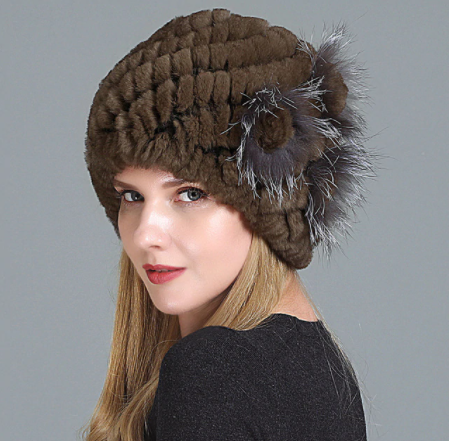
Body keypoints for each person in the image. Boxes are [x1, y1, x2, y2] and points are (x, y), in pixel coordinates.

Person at [80, 8, 379, 441]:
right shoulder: (324, 368)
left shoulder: (212, 371)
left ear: (268, 205)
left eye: (191, 194)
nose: (145, 234)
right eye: (132, 196)